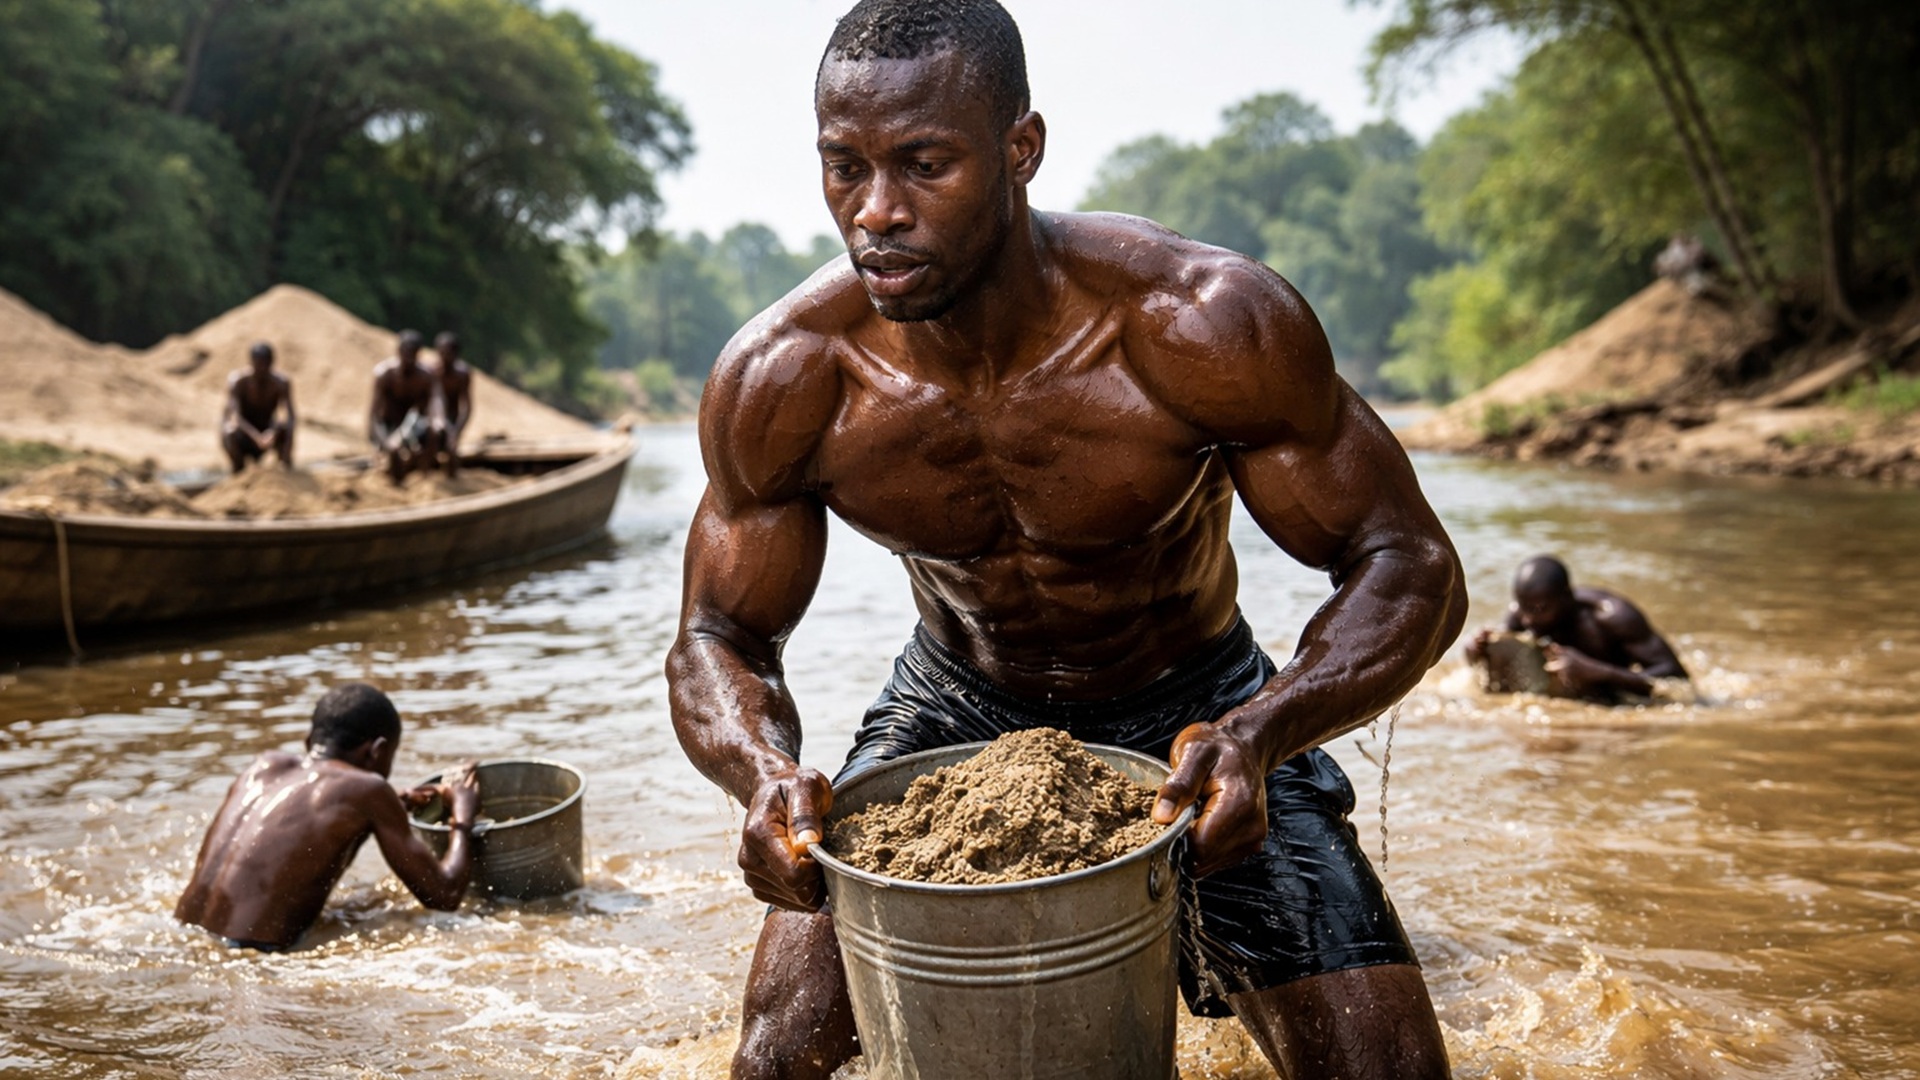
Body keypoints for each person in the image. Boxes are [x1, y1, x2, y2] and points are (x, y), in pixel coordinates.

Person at [664, 3, 1468, 1077]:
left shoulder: (1197, 323)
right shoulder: (789, 376)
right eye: (844, 168)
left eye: (924, 165)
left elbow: (1410, 568)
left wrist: (1262, 735)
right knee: (774, 1061)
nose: (878, 212)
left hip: (1198, 712)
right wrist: (762, 773)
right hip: (953, 708)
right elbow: (718, 632)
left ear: (1021, 150)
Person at [174, 683, 480, 951]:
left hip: (186, 936)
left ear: (310, 742)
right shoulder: (369, 789)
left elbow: (318, 813)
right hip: (253, 954)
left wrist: (391, 805)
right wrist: (463, 815)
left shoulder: (263, 767)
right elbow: (444, 895)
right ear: (377, 750)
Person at [1465, 555, 1688, 703]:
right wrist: (1475, 651)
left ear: (1567, 597)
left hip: (1615, 698)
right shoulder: (1522, 615)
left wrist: (1596, 671)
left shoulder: (1613, 617)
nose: (1529, 619)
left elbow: (1676, 679)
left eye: (1540, 609)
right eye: (1522, 608)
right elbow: (1492, 672)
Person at [369, 329, 447, 482]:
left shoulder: (426, 377)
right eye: (404, 351)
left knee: (432, 434)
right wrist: (383, 442)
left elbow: (436, 401)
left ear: (418, 353)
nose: (407, 357)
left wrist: (439, 421)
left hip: (412, 426)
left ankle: (424, 477)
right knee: (393, 454)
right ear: (398, 350)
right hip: (388, 426)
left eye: (412, 352)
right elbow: (373, 415)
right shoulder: (385, 374)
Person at [220, 341, 295, 474]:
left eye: (265, 364)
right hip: (244, 432)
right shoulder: (238, 381)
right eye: (258, 364)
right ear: (251, 362)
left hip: (269, 429)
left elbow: (289, 415)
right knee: (228, 431)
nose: (262, 369)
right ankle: (238, 471)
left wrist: (272, 433)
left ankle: (286, 469)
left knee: (288, 428)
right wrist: (256, 437)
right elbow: (234, 416)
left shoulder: (280, 383)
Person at [429, 331, 474, 477]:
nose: (445, 357)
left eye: (448, 353)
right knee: (432, 440)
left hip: (453, 419)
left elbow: (466, 407)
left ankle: (452, 478)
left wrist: (456, 430)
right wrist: (439, 422)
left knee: (451, 449)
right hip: (432, 418)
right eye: (442, 353)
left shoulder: (462, 374)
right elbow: (434, 401)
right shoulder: (431, 372)